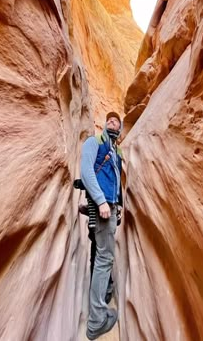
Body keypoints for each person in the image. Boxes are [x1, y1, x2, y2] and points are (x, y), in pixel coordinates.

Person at [80, 111, 123, 340]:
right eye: (109, 120)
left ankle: (103, 297)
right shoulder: (93, 142)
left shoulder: (116, 151)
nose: (111, 122)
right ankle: (96, 322)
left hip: (109, 208)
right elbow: (86, 172)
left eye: (116, 120)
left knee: (101, 257)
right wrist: (100, 201)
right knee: (104, 259)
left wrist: (117, 207)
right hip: (102, 207)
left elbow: (114, 182)